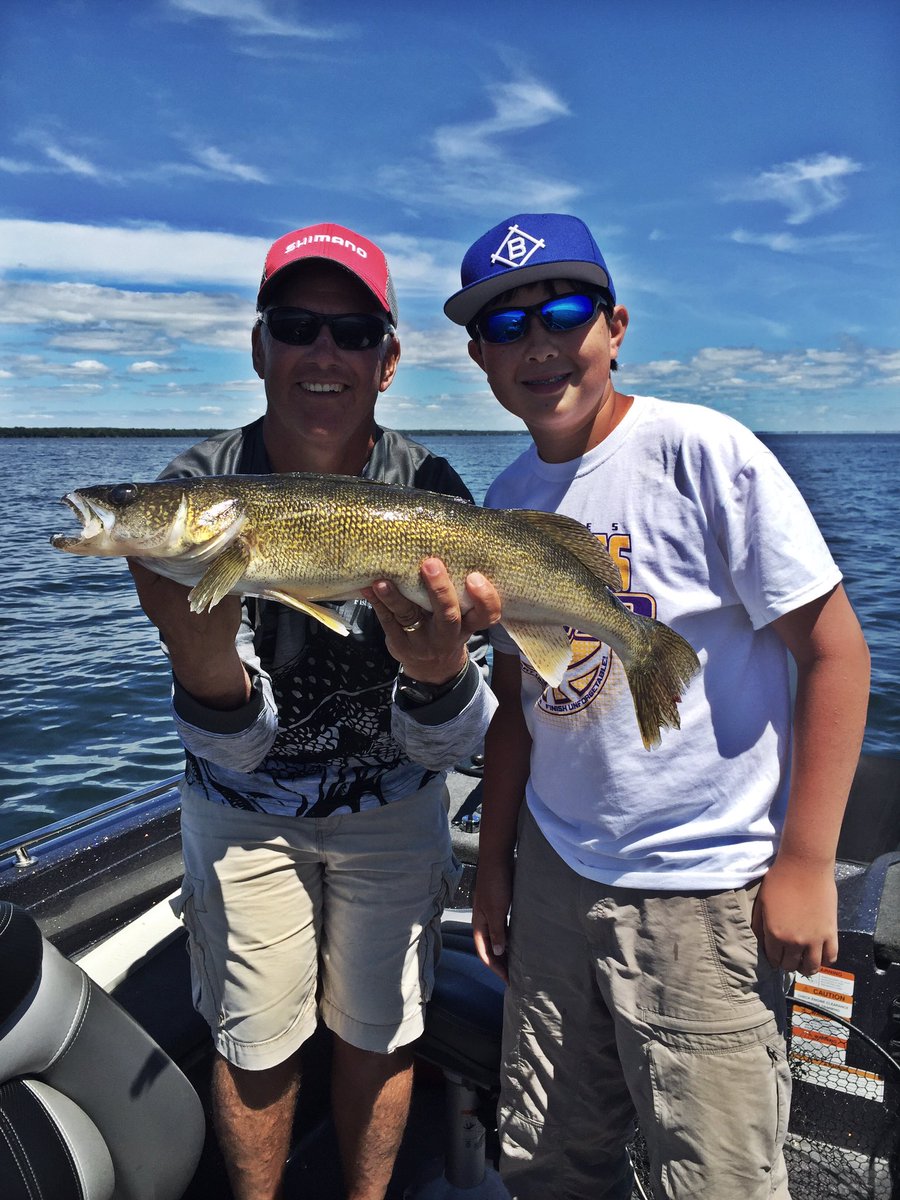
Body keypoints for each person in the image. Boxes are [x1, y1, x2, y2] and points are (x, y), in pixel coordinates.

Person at [444, 212, 871, 1200]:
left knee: (714, 1171)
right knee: (549, 1154)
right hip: (554, 875)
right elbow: (519, 702)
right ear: (478, 357)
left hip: (705, 886)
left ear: (616, 325)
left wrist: (804, 862)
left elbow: (837, 652)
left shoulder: (704, 451)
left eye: (562, 311)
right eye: (507, 328)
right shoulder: (505, 499)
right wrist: (497, 865)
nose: (540, 343)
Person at [128, 221, 500, 1200]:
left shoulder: (432, 490)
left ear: (387, 360)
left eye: (350, 333)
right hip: (245, 813)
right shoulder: (194, 493)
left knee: (380, 1031)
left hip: (399, 804)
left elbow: (459, 742)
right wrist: (203, 658)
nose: (323, 353)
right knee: (255, 1038)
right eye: (297, 326)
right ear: (260, 347)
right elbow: (238, 747)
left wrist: (437, 674)